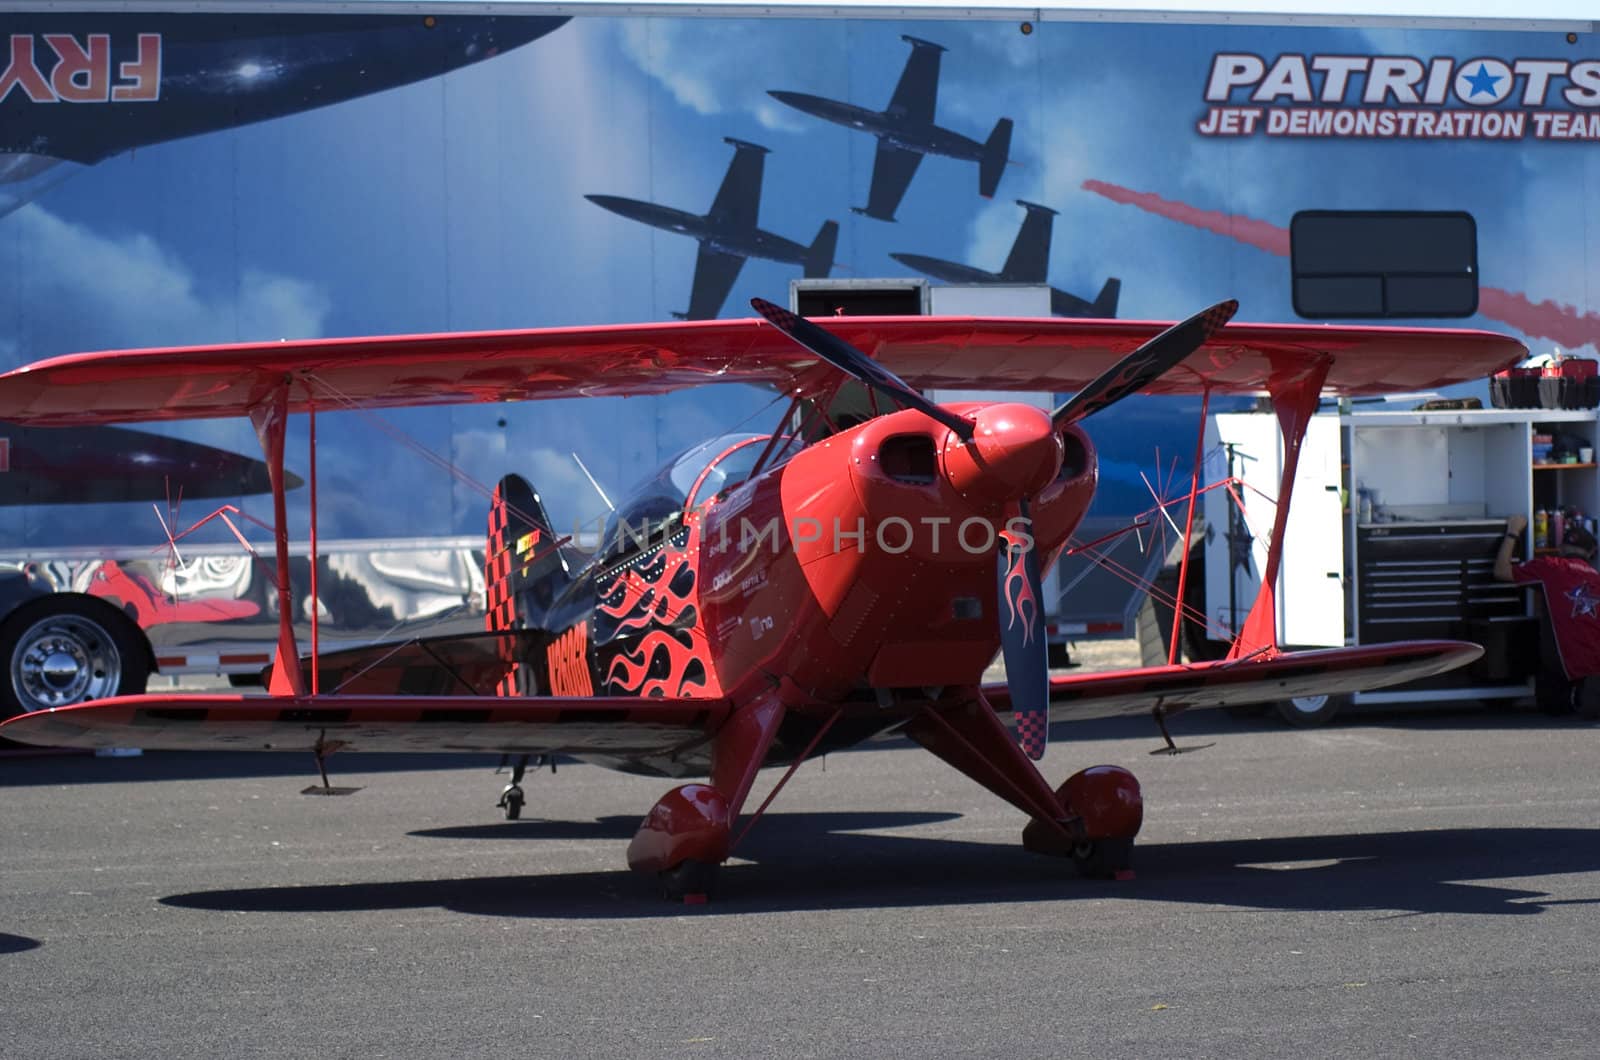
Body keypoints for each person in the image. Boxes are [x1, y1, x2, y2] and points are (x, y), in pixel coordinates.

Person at [1494, 513, 1600, 716]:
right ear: (1592, 552)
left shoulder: (1549, 567)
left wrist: (1513, 532)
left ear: (1560, 549)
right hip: (1594, 672)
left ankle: (1577, 697)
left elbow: (1501, 571)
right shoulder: (1597, 579)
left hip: (1566, 678)